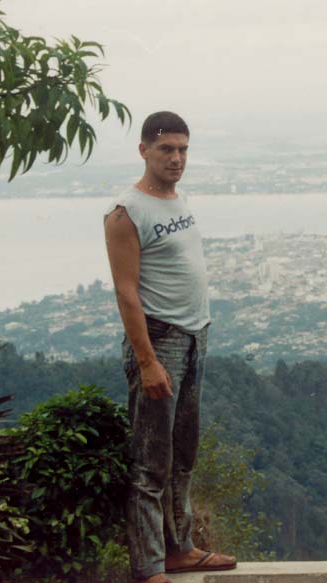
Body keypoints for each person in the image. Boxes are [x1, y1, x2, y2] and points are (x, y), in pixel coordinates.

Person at [104, 111, 236, 582]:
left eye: (182, 150)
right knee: (150, 460)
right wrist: (147, 361)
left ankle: (180, 548)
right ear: (144, 150)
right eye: (166, 149)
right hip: (160, 340)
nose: (176, 158)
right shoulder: (126, 212)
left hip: (196, 336)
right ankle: (149, 566)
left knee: (183, 453)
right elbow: (126, 292)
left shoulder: (178, 201)